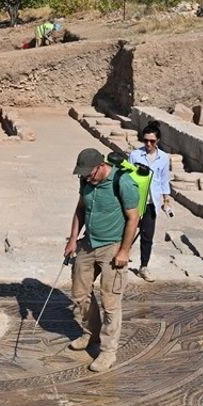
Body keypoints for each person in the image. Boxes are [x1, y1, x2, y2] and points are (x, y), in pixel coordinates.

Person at [63, 147, 140, 372]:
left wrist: (124, 252)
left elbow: (133, 219)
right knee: (79, 294)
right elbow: (80, 209)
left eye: (89, 173)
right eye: (83, 174)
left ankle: (108, 351)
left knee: (110, 302)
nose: (86, 177)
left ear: (100, 166)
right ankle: (91, 333)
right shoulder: (86, 181)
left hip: (113, 245)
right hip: (89, 242)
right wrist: (73, 239)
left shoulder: (123, 183)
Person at [127, 121, 173, 282]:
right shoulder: (135, 155)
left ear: (158, 141)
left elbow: (164, 180)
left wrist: (166, 199)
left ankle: (143, 266)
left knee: (147, 235)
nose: (148, 144)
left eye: (152, 141)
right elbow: (127, 177)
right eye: (145, 140)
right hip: (134, 201)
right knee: (128, 230)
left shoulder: (164, 158)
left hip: (151, 202)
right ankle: (123, 254)